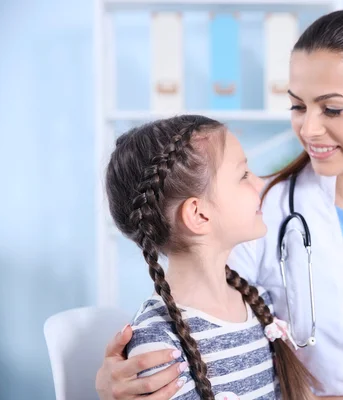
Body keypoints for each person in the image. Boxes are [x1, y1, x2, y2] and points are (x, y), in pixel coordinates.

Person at [96, 8, 343, 400]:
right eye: (298, 106)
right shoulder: (261, 211)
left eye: (332, 108)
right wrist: (119, 379)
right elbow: (196, 317)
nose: (309, 129)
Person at [102, 115, 316, 399]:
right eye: (243, 175)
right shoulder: (158, 345)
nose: (259, 183)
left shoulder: (258, 304)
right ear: (199, 214)